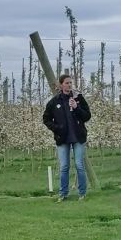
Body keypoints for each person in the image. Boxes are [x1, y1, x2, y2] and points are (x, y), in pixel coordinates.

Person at [42, 74, 91, 202]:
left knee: (79, 165)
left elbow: (87, 116)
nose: (69, 85)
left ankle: (82, 193)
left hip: (78, 137)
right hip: (62, 138)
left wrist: (76, 107)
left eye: (71, 83)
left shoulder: (78, 98)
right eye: (67, 83)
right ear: (61, 85)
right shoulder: (54, 101)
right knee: (64, 167)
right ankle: (63, 193)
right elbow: (46, 119)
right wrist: (57, 128)